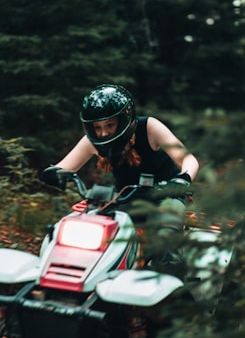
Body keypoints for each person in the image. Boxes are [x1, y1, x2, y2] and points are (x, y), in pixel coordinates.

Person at [40, 84, 199, 270]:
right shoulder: (93, 141)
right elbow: (64, 167)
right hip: (124, 197)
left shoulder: (149, 127)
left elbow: (188, 158)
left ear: (124, 120)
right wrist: (52, 173)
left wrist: (182, 179)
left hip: (165, 195)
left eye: (110, 125)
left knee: (164, 239)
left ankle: (174, 291)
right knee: (88, 229)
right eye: (97, 127)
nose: (103, 133)